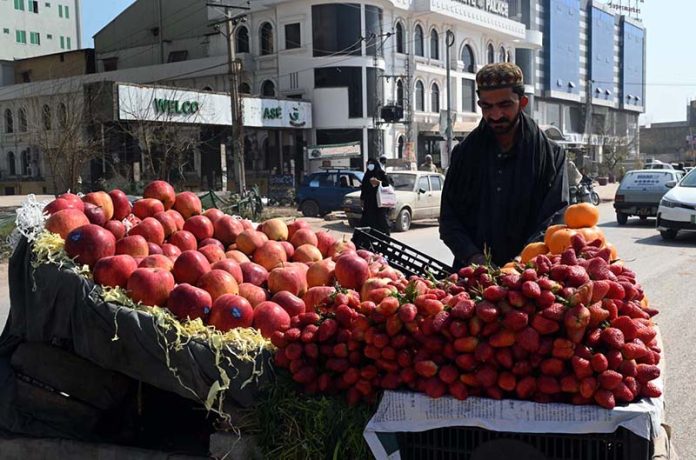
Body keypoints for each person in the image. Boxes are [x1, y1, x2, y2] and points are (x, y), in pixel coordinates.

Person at [440, 62, 568, 269]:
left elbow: (555, 217)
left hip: (531, 277)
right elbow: (449, 219)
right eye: (487, 106)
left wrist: (521, 262)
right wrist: (474, 258)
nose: (496, 115)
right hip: (473, 276)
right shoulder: (464, 154)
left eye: (505, 105)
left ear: (522, 102)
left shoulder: (552, 155)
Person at [360, 158, 391, 235]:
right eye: (369, 163)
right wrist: (362, 199)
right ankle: (367, 238)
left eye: (372, 163)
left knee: (381, 220)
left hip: (380, 203)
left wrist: (379, 182)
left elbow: (388, 185)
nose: (370, 165)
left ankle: (385, 238)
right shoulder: (367, 175)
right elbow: (363, 188)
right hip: (369, 202)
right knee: (368, 220)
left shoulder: (382, 173)